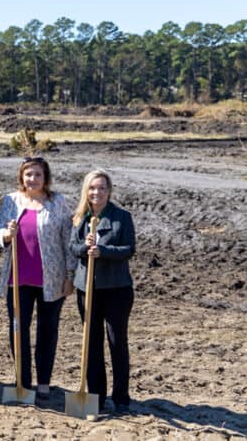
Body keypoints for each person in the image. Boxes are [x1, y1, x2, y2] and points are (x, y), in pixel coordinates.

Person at [0, 156, 76, 400]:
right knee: (18, 329)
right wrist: (7, 234)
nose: (33, 179)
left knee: (47, 330)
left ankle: (43, 382)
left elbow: (68, 240)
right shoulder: (11, 200)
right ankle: (22, 380)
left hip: (51, 278)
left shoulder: (58, 202)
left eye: (38, 174)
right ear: (22, 177)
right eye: (28, 174)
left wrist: (69, 275)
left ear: (45, 178)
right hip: (17, 278)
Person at [69, 169, 136, 415]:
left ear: (109, 191)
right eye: (93, 188)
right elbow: (72, 247)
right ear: (86, 191)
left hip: (116, 289)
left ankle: (121, 398)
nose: (97, 192)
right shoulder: (80, 218)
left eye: (102, 188)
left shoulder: (121, 217)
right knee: (92, 343)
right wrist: (83, 247)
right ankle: (96, 397)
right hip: (87, 289)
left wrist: (103, 251)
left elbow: (129, 248)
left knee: (117, 342)